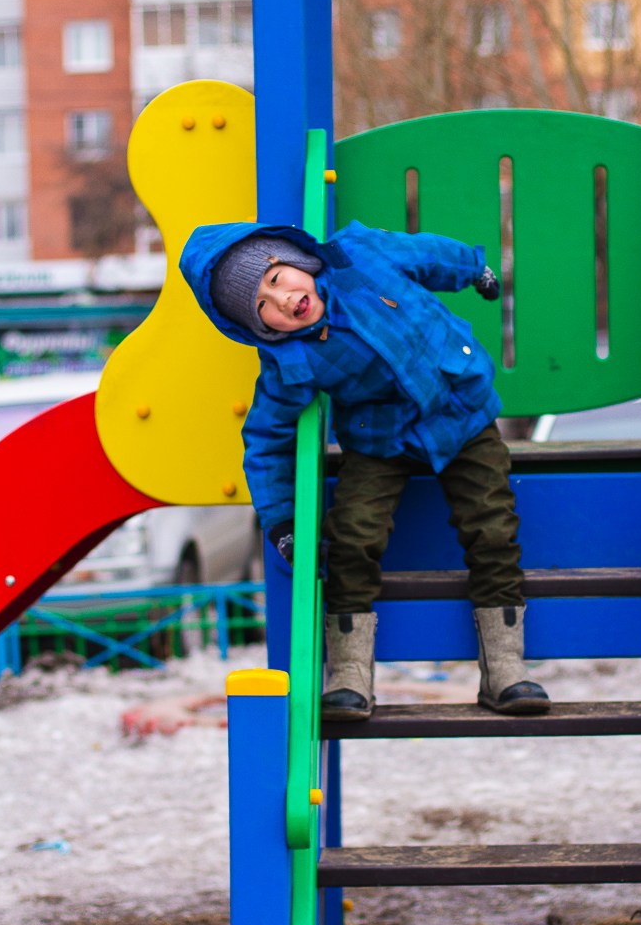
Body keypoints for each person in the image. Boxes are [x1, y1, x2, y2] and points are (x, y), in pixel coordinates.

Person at [180, 218, 551, 721]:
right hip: (381, 439)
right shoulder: (291, 362)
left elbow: (425, 253)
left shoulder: (360, 256)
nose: (283, 301)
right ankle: (350, 674)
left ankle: (505, 668)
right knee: (352, 537)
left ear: (296, 258)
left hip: (462, 411)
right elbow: (267, 439)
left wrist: (473, 267)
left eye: (275, 279)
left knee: (491, 526)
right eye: (263, 309)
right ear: (259, 329)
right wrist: (282, 520)